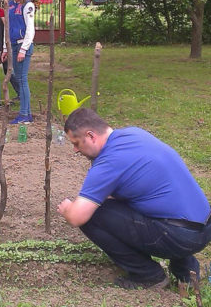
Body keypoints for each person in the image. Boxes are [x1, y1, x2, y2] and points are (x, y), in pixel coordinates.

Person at [57, 108, 211, 290]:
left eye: (76, 143)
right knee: (152, 200)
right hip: (202, 227)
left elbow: (77, 217)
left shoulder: (109, 161)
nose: (75, 150)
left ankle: (148, 275)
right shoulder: (134, 134)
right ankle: (186, 273)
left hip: (180, 237)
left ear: (91, 136)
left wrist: (68, 208)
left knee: (93, 217)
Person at [2, 0, 35, 124]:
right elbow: (7, 28)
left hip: (23, 45)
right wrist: (5, 48)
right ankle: (25, 113)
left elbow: (30, 29)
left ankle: (24, 115)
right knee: (20, 79)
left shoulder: (27, 6)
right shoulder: (9, 5)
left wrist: (23, 49)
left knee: (22, 79)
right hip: (13, 45)